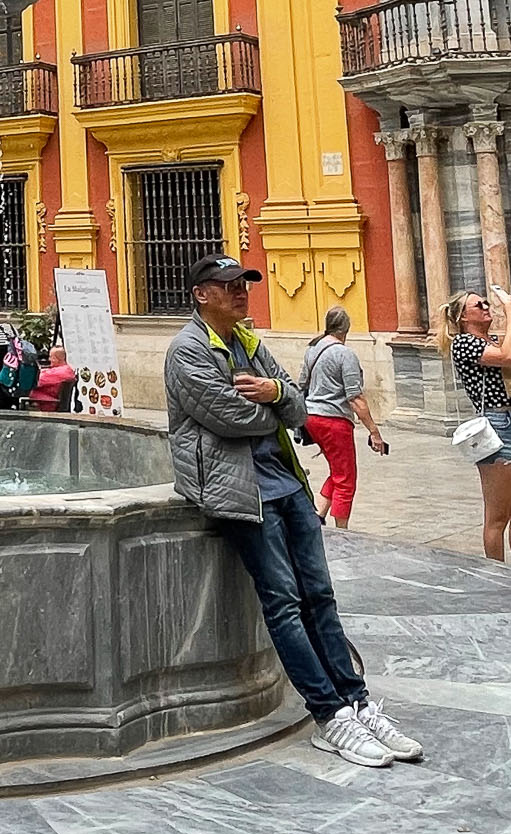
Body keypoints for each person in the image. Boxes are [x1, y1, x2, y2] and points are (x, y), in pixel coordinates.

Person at [164, 253, 421, 769]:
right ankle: (330, 716)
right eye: (230, 285)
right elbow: (232, 417)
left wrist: (276, 391)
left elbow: (300, 404)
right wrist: (274, 404)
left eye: (246, 284)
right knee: (282, 601)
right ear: (201, 294)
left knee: (320, 596)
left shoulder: (249, 343)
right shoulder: (187, 351)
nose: (243, 292)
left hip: (287, 485)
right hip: (241, 492)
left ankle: (358, 703)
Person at [444, 285, 511, 567]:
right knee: (498, 517)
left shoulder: (494, 339)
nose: (485, 307)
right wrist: (509, 313)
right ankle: (499, 578)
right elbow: (508, 358)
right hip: (497, 425)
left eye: (486, 303)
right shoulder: (464, 344)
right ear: (463, 318)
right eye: (478, 305)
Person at [301, 308, 386, 529]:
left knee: (338, 470)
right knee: (346, 479)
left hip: (311, 417)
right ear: (346, 328)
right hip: (334, 422)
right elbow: (355, 397)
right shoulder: (344, 354)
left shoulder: (312, 349)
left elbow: (302, 383)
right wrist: (374, 432)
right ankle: (342, 531)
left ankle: (318, 514)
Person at [30, 343, 77, 413]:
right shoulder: (67, 370)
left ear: (56, 358)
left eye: (50, 357)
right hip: (49, 401)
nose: (49, 359)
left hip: (45, 404)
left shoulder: (58, 373)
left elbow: (36, 380)